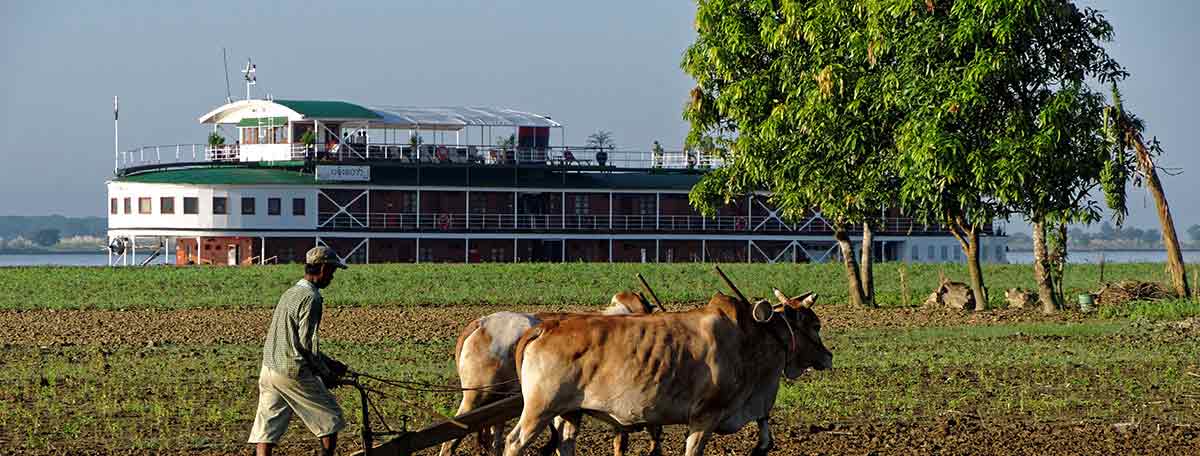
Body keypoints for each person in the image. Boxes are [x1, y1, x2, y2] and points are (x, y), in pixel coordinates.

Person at [248, 246, 350, 456]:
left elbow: (293, 339)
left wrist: (330, 363)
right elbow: (305, 345)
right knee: (331, 418)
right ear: (322, 268)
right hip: (291, 371)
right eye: (331, 271)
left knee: (267, 430)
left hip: (269, 369)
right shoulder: (312, 298)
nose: (332, 277)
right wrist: (326, 373)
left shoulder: (291, 292)